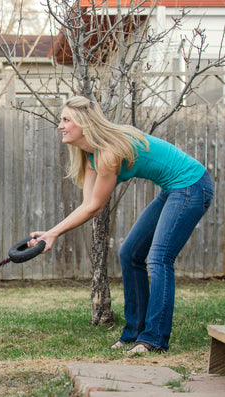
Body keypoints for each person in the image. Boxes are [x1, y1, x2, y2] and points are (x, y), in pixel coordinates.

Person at [27, 96, 213, 355]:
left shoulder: (109, 154)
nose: (60, 125)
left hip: (192, 185)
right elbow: (88, 205)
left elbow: (95, 207)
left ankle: (154, 339)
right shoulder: (91, 154)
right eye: (62, 119)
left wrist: (55, 233)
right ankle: (134, 334)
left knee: (159, 259)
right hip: (173, 189)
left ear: (85, 124)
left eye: (66, 120)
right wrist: (51, 233)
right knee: (130, 253)